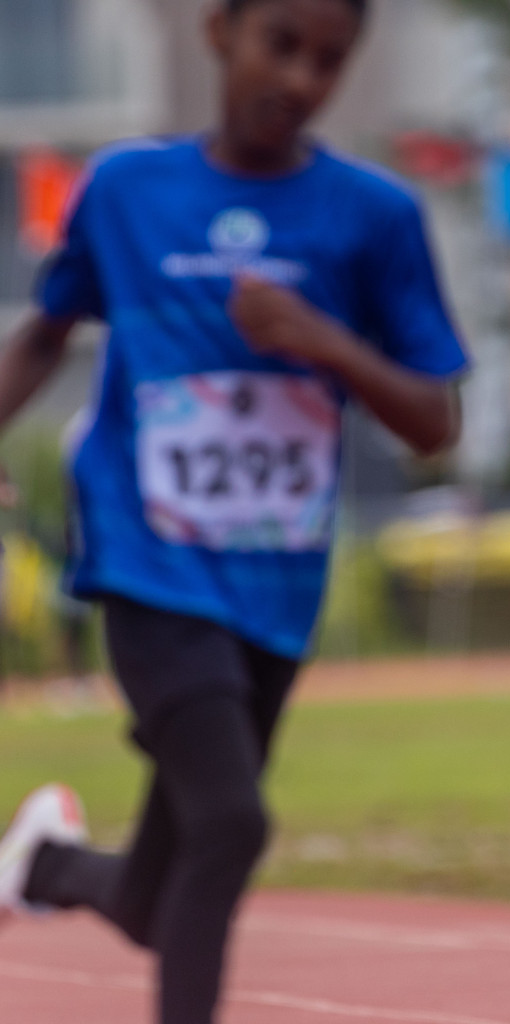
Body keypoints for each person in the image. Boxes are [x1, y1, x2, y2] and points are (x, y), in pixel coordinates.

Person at [0, 3, 468, 1023]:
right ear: (221, 31)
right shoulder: (127, 189)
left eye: (330, 62)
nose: (301, 79)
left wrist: (324, 341)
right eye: (281, 45)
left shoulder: (372, 217)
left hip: (275, 585)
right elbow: (47, 331)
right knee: (231, 824)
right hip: (147, 562)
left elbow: (436, 420)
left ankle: (52, 868)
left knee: (162, 893)